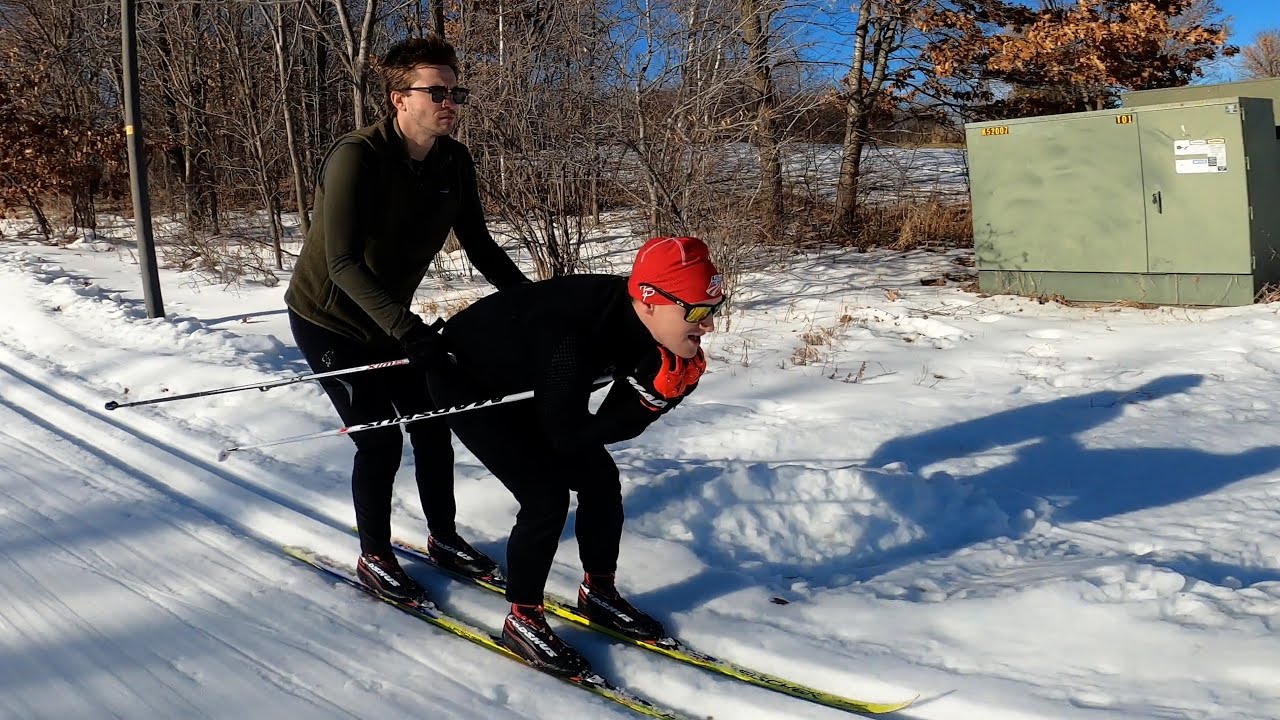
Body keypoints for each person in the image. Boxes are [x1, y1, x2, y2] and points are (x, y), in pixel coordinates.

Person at [284, 35, 530, 604]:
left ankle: (442, 537)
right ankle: (375, 555)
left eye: (455, 91)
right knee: (379, 441)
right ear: (398, 97)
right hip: (329, 320)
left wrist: (531, 303)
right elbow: (342, 262)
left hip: (388, 319)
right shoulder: (358, 157)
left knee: (432, 423)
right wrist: (411, 332)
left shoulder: (454, 161)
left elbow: (481, 246)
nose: (449, 101)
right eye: (435, 91)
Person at [427, 235, 723, 675]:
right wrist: (650, 400)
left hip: (533, 384)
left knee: (601, 481)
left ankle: (598, 591)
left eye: (714, 310)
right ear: (648, 302)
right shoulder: (575, 335)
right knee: (545, 498)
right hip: (470, 382)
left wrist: (659, 397)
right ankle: (522, 618)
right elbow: (567, 436)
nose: (709, 325)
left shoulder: (651, 330)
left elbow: (605, 426)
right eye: (697, 312)